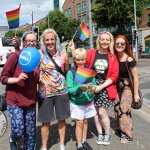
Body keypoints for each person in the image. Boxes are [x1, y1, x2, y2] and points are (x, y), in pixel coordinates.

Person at [69, 31, 119, 145]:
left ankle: (107, 134)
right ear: (99, 40)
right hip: (91, 84)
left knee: (102, 112)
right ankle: (100, 134)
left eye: (107, 39)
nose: (105, 41)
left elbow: (114, 75)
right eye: (103, 39)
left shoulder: (112, 56)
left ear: (110, 41)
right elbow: (80, 59)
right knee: (95, 112)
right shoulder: (92, 53)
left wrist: (100, 87)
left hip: (105, 86)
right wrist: (73, 49)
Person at [0, 31, 40, 150]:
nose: (32, 43)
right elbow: (3, 78)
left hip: (31, 101)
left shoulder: (37, 58)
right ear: (23, 42)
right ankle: (13, 138)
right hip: (15, 101)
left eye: (34, 41)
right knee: (18, 130)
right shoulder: (15, 56)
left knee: (31, 134)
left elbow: (36, 78)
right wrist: (17, 79)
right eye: (29, 41)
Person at [38, 28, 70, 150]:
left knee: (61, 119)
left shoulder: (64, 55)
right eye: (47, 40)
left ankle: (62, 144)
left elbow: (66, 71)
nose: (50, 42)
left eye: (52, 39)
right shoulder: (39, 54)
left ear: (56, 40)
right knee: (45, 122)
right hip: (45, 93)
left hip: (61, 91)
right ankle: (44, 146)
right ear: (43, 41)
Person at [66, 48, 97, 150]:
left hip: (88, 101)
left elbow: (94, 84)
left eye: (82, 59)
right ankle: (79, 144)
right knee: (79, 123)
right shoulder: (71, 72)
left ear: (85, 59)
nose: (80, 62)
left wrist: (93, 89)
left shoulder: (89, 71)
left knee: (85, 121)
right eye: (78, 60)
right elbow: (70, 89)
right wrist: (79, 88)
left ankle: (84, 141)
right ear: (74, 59)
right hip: (77, 102)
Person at [113, 35, 140, 143]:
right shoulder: (114, 57)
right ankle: (120, 129)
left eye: (122, 43)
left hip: (127, 87)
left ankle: (127, 134)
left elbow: (135, 77)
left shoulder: (129, 59)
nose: (119, 45)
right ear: (114, 45)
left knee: (124, 110)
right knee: (116, 108)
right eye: (117, 43)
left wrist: (136, 94)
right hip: (117, 85)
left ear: (126, 45)